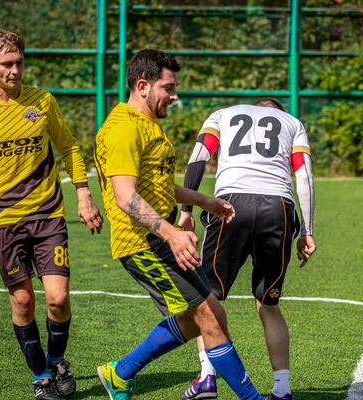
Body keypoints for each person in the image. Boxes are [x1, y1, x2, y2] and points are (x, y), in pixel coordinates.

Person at [94, 49, 265, 400]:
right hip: (142, 242)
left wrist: (204, 201)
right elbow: (125, 196)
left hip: (160, 237)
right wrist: (171, 232)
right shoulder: (123, 128)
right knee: (210, 317)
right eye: (168, 88)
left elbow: (156, 183)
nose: (175, 96)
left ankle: (120, 372)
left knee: (204, 315)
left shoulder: (147, 124)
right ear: (143, 86)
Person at [0, 30, 104, 400]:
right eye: (7, 64)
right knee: (22, 301)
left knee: (58, 298)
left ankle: (57, 360)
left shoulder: (43, 102)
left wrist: (83, 193)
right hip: (3, 218)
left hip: (48, 213)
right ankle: (40, 377)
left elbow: (69, 147)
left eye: (19, 62)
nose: (15, 70)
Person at [177, 98, 317, 400]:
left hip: (231, 202)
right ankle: (282, 390)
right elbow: (303, 175)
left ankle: (207, 378)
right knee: (268, 304)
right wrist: (307, 231)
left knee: (206, 300)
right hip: (278, 207)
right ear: (277, 111)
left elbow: (199, 157)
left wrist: (186, 209)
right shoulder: (293, 123)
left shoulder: (222, 114)